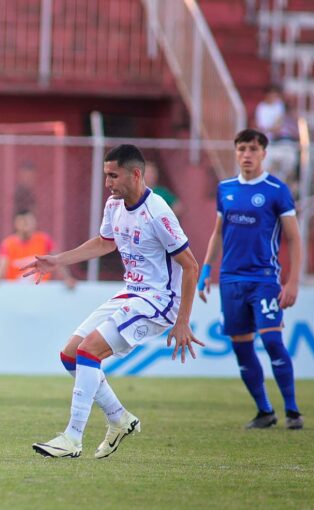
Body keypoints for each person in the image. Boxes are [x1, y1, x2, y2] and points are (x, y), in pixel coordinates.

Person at [22, 144, 202, 459]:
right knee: (70, 356)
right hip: (132, 292)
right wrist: (58, 261)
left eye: (113, 175)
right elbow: (106, 242)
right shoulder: (114, 204)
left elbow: (190, 265)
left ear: (135, 174)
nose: (107, 182)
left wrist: (183, 320)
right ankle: (119, 418)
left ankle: (72, 439)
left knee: (89, 350)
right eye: (106, 175)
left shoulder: (158, 212)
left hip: (159, 300)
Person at [198, 128, 304, 430]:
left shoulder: (276, 190)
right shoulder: (226, 188)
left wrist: (293, 281)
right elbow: (218, 233)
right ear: (235, 152)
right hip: (230, 280)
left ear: (264, 153)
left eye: (253, 150)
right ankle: (265, 411)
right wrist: (207, 270)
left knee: (272, 340)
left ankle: (293, 411)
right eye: (242, 149)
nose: (247, 155)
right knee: (241, 347)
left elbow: (294, 238)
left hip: (264, 279)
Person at [0, 210, 75, 287]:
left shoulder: (44, 240)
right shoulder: (8, 243)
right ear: (16, 223)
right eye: (23, 222)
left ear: (35, 222)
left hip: (40, 289)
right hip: (16, 289)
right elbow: (1, 265)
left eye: (29, 221)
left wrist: (67, 278)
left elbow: (57, 259)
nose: (26, 225)